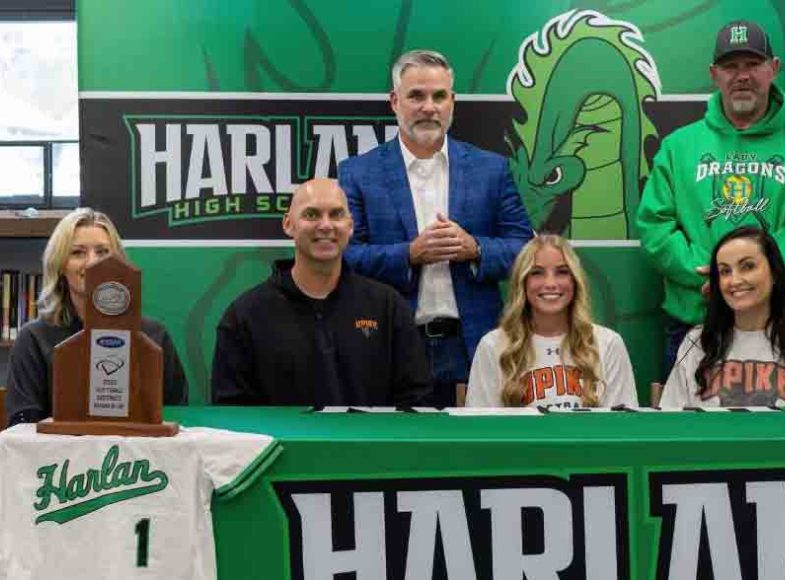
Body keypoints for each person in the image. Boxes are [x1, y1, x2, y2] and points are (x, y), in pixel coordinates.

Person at [636, 19, 785, 377]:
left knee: (784, 432)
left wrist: (752, 277)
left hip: (781, 324)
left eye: (753, 64)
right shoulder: (678, 147)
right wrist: (717, 275)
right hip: (694, 322)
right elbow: (655, 229)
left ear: (773, 68)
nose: (742, 76)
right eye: (731, 66)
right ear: (714, 74)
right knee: (686, 433)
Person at [337, 49, 533, 407]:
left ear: (452, 102)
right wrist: (410, 254)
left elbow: (525, 248)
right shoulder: (358, 173)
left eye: (439, 96)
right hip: (390, 343)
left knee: (473, 456)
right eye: (416, 96)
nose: (429, 107)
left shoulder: (492, 170)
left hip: (472, 344)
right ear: (394, 101)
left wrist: (475, 248)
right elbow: (344, 256)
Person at [210, 178, 430, 407]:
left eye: (336, 215)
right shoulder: (245, 315)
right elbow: (232, 414)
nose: (326, 225)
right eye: (312, 215)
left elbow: (415, 402)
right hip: (281, 444)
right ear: (288, 225)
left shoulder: (388, 307)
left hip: (368, 444)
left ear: (350, 226)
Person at [5, 208, 188, 426]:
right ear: (60, 265)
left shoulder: (154, 336)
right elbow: (22, 424)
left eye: (102, 252)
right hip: (61, 457)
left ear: (119, 262)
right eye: (77, 252)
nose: (92, 263)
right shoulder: (33, 339)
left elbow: (176, 415)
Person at [659, 227, 785, 409]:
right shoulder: (697, 342)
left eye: (747, 266)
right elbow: (670, 424)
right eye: (725, 271)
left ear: (774, 273)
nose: (735, 280)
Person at [465, 235, 638, 409]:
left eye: (562, 272)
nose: (550, 283)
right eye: (537, 273)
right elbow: (480, 430)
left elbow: (623, 426)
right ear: (522, 283)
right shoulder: (493, 345)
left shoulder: (608, 344)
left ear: (575, 282)